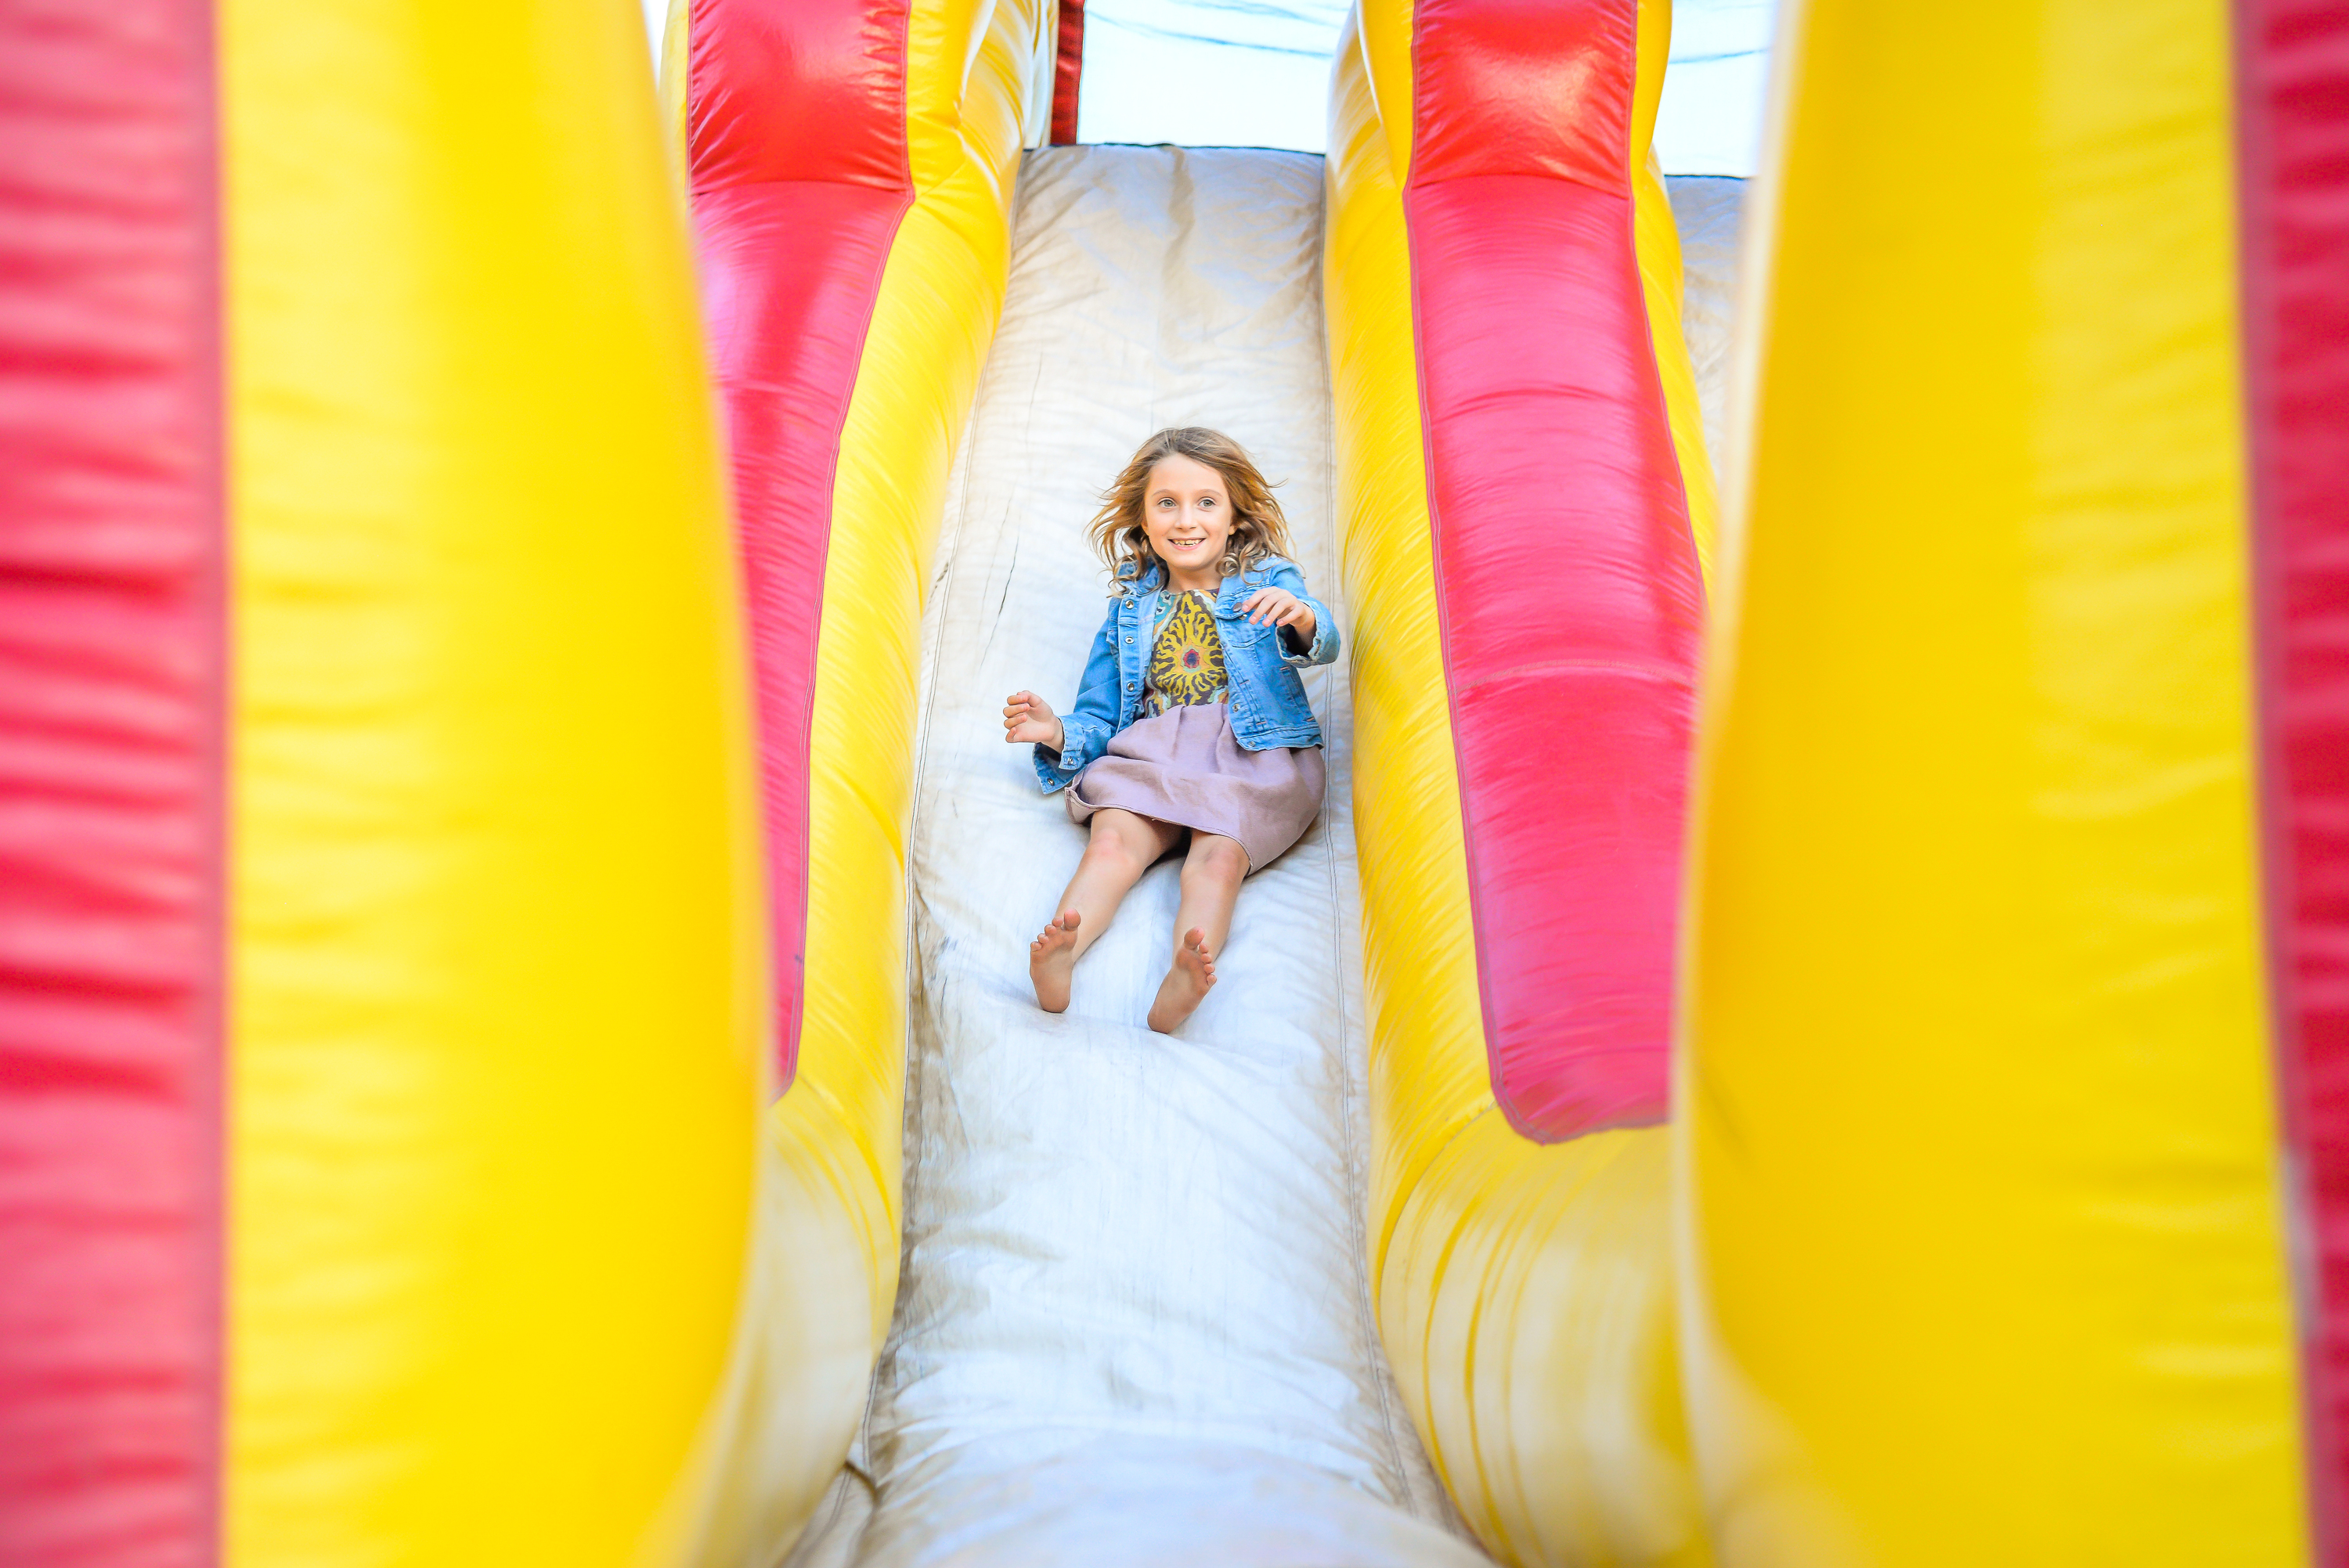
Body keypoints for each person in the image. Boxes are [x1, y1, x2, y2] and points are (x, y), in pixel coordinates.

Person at [1004, 427, 1340, 1033]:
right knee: (1113, 845)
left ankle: (1188, 966)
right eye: (1167, 503)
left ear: (1236, 517)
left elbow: (1319, 642)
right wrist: (1056, 730)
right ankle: (1061, 953)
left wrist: (1304, 619)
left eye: (1206, 502)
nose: (1187, 520)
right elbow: (1102, 716)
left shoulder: (1268, 583)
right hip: (1153, 753)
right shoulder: (1129, 610)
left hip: (1250, 752)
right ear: (1143, 518)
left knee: (1215, 863)